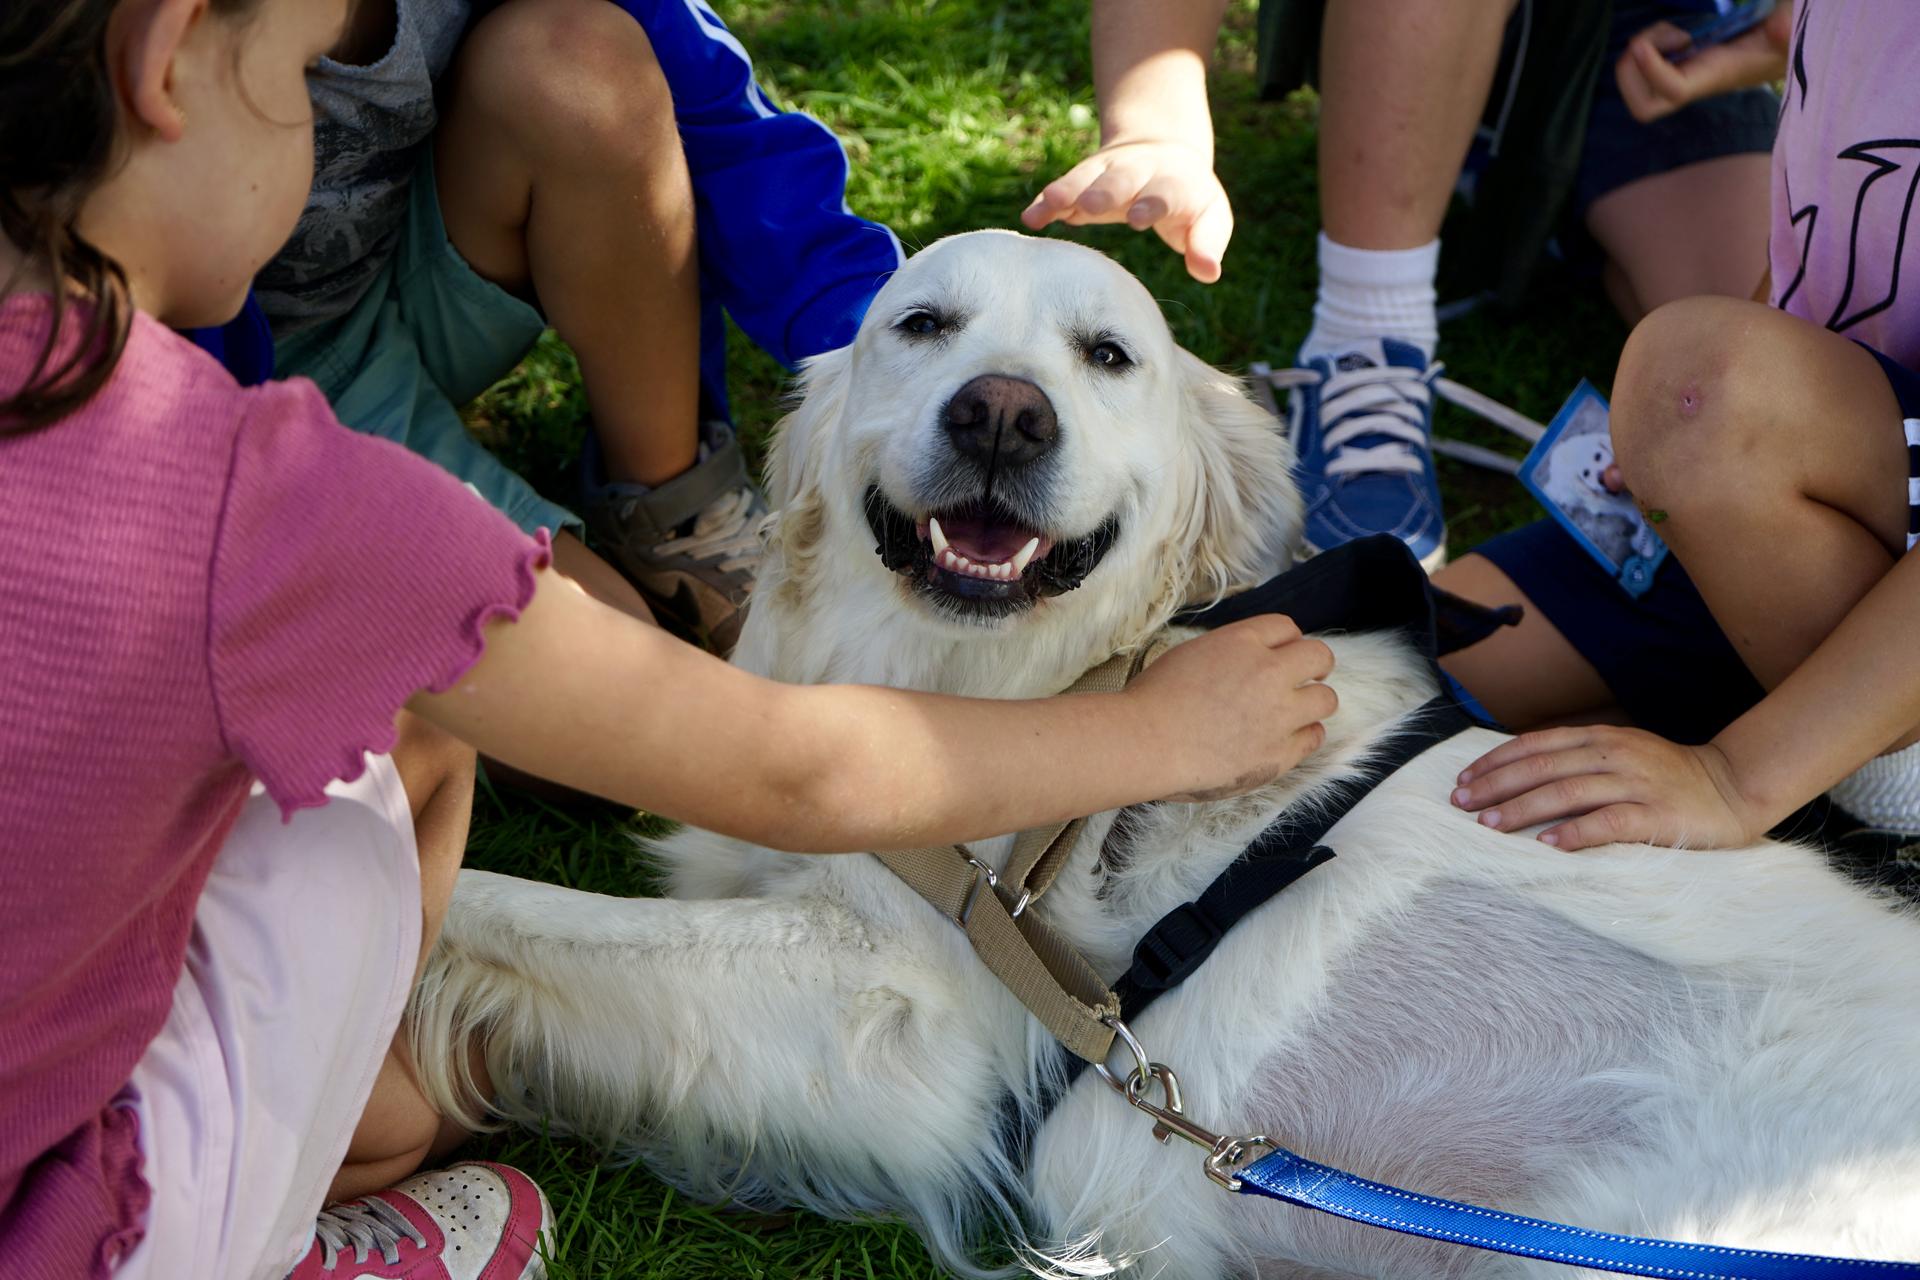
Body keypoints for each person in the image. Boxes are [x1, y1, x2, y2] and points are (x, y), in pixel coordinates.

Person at [0, 2, 1342, 1277]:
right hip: (86, 1225)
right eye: (299, 81)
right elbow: (788, 773)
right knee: (406, 732)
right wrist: (1154, 735)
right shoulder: (281, 503)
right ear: (168, 63)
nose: (317, 123)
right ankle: (290, 1221)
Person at [1024, 0, 1786, 571]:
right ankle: (1367, 331)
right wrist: (1159, 130)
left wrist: (1762, 46)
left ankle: (1554, 201)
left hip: (1661, 53)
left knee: (1769, 395)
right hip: (1409, 35)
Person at [247, 0, 905, 655]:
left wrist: (898, 343)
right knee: (616, 691)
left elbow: (732, 137)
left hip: (405, 277)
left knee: (579, 59)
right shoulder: (168, 39)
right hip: (217, 390)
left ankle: (671, 505)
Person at [1444, 0, 1920, 849]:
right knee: (1371, 654)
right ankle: (1776, 719)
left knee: (1694, 386)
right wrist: (1713, 468)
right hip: (1812, 537)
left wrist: (1733, 781)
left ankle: (1859, 761)